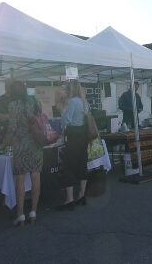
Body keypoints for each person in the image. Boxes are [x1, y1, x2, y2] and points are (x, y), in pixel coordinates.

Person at [5, 80, 43, 226]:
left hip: (20, 144)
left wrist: (3, 143)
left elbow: (12, 127)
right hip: (36, 143)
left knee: (20, 179)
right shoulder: (35, 102)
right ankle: (33, 212)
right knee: (36, 176)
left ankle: (20, 214)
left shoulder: (13, 105)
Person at [58, 80, 90, 210]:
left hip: (73, 136)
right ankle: (82, 194)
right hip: (83, 135)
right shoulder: (84, 101)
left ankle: (69, 199)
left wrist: (62, 111)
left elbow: (67, 120)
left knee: (69, 166)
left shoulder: (72, 101)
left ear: (71, 89)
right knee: (82, 164)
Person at [0, 79, 14, 145]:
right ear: (6, 87)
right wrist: (10, 116)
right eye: (11, 85)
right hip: (3, 133)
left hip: (16, 135)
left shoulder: (18, 100)